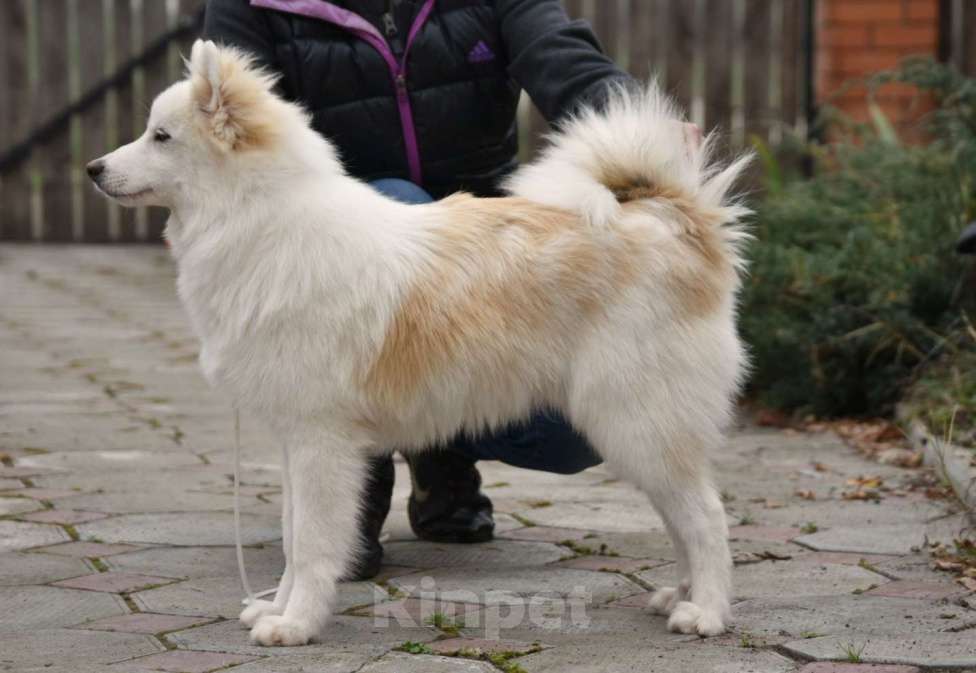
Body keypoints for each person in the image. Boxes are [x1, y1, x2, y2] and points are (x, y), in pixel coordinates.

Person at [203, 0, 642, 580]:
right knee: (398, 202)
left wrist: (636, 130)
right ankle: (356, 486)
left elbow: (563, 60)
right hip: (343, 259)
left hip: (482, 260)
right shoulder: (254, 6)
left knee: (574, 432)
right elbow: (227, 122)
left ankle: (442, 453)